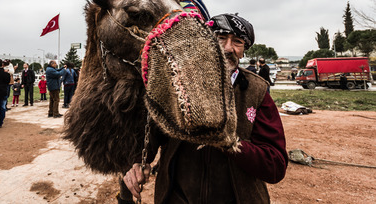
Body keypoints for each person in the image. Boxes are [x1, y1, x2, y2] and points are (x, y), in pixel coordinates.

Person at [123, 13, 288, 204]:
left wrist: (231, 144)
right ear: (205, 42)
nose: (228, 48)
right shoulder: (179, 81)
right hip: (177, 197)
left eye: (237, 42)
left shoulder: (257, 91)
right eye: (220, 38)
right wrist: (138, 162)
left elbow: (275, 165)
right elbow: (153, 133)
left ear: (244, 50)